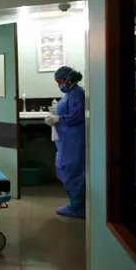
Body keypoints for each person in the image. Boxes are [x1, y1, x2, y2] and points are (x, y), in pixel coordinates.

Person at [44, 66, 85, 219]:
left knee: (73, 171)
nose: (59, 85)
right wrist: (55, 118)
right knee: (66, 169)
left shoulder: (77, 93)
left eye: (59, 82)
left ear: (68, 80)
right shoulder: (70, 94)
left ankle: (78, 207)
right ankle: (75, 204)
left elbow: (78, 115)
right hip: (67, 140)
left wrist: (59, 118)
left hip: (73, 140)